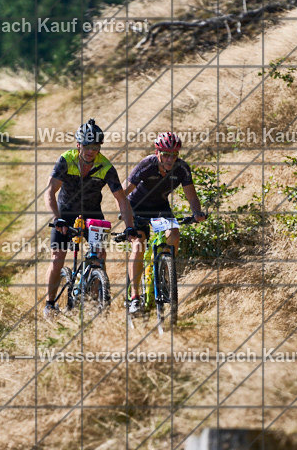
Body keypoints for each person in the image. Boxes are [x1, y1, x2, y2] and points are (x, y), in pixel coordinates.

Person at [45, 119, 137, 319]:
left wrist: (130, 227)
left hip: (93, 214)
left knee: (99, 256)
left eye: (95, 147)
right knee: (58, 257)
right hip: (66, 212)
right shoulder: (66, 160)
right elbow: (50, 192)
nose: (91, 151)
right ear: (79, 145)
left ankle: (96, 300)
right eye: (87, 146)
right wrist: (57, 218)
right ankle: (50, 304)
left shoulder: (105, 166)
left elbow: (121, 199)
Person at [124, 131, 206, 315]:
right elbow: (123, 191)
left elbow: (191, 194)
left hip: (160, 207)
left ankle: (164, 269)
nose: (170, 159)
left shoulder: (182, 168)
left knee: (174, 235)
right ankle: (135, 298)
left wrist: (197, 213)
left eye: (174, 155)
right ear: (157, 152)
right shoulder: (146, 165)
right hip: (136, 207)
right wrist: (125, 214)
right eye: (166, 154)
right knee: (138, 245)